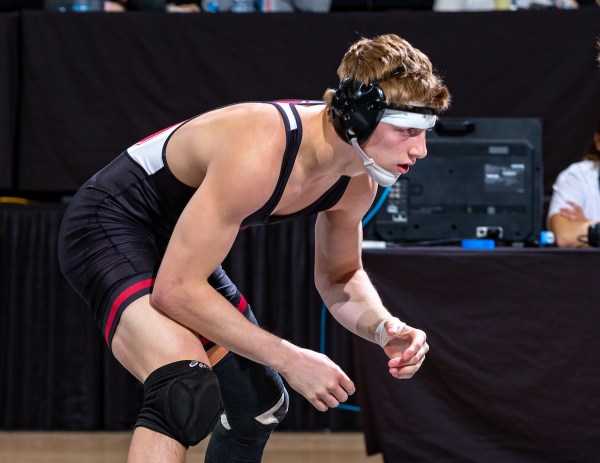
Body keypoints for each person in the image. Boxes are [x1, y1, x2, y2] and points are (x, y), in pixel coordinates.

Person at [58, 33, 451, 463]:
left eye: (426, 132)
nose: (421, 150)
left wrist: (383, 328)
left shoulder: (359, 180)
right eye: (407, 131)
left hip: (181, 244)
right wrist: (288, 357)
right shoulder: (260, 149)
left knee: (258, 405)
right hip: (110, 224)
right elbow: (177, 289)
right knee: (183, 387)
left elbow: (340, 276)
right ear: (359, 117)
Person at [547, 118, 600, 247]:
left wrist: (592, 228)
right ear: (598, 141)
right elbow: (564, 235)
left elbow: (578, 236)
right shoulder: (576, 177)